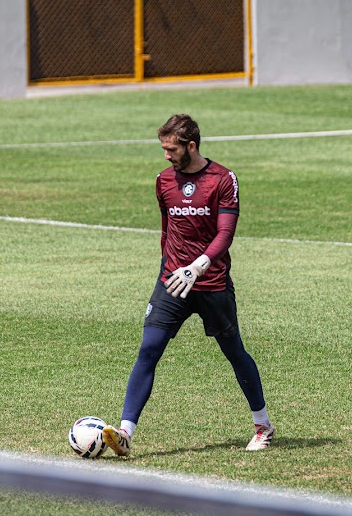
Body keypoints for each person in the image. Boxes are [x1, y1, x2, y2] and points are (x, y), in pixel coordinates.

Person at [103, 114, 274, 457]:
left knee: (234, 352)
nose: (166, 155)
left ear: (191, 146)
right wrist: (169, 269)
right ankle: (125, 432)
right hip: (172, 282)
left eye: (171, 149)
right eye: (163, 148)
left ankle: (263, 424)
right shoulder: (163, 180)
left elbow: (225, 232)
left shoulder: (223, 178)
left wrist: (198, 266)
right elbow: (167, 230)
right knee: (149, 348)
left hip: (211, 283)